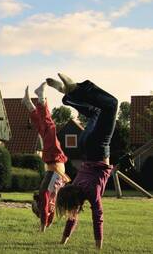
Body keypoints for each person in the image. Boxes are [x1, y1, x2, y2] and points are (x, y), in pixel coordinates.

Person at [47, 73, 117, 250]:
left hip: (99, 148)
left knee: (111, 105)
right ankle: (68, 96)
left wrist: (98, 245)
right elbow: (72, 217)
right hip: (85, 144)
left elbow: (98, 216)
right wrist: (63, 240)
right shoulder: (76, 183)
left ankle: (76, 90)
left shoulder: (91, 191)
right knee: (96, 112)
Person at [22, 82, 71, 232]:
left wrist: (42, 227)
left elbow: (44, 208)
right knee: (44, 128)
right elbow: (48, 215)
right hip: (55, 160)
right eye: (36, 205)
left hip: (54, 160)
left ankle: (41, 99)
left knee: (49, 128)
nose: (37, 202)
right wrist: (47, 222)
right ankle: (30, 104)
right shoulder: (49, 203)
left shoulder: (45, 195)